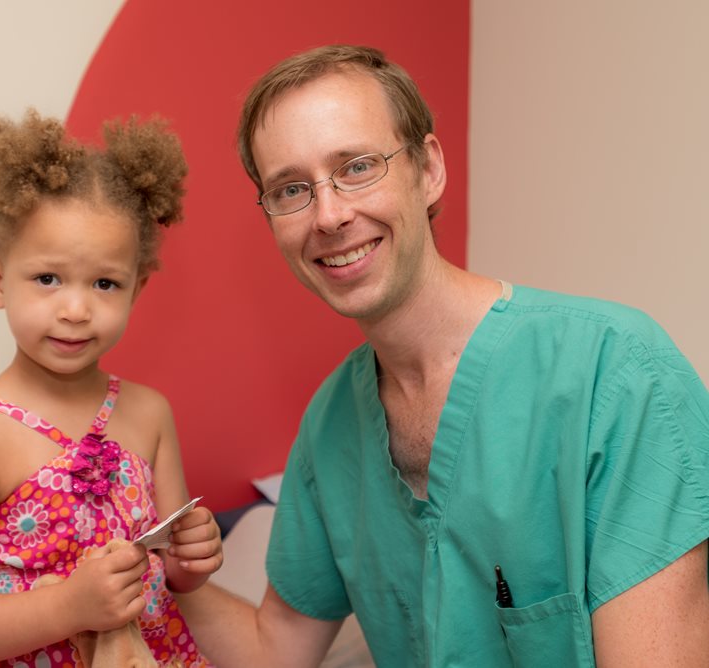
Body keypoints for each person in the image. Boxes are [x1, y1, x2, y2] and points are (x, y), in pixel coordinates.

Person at [177, 45, 709, 667]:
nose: (329, 215)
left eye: (356, 166)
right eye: (291, 189)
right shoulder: (330, 428)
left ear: (428, 169)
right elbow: (275, 651)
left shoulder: (615, 375)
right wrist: (170, 575)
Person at [0, 110, 222, 667]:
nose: (75, 309)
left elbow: (169, 572)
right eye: (47, 279)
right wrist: (70, 606)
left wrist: (192, 560)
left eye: (105, 283)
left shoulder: (149, 414)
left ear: (136, 289)